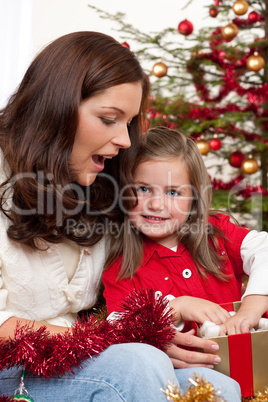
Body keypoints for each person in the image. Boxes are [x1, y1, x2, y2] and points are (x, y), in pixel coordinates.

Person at [0, 32, 241, 401]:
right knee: (138, 364)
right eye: (109, 119)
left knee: (220, 387)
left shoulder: (103, 187)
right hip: (12, 365)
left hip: (77, 360)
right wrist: (131, 339)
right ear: (56, 108)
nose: (126, 141)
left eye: (128, 123)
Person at [103, 126, 268, 338]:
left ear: (193, 199)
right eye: (143, 189)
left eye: (172, 192)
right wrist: (176, 309)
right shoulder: (122, 265)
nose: (155, 204)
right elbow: (119, 329)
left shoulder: (217, 233)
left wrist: (251, 307)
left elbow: (264, 250)